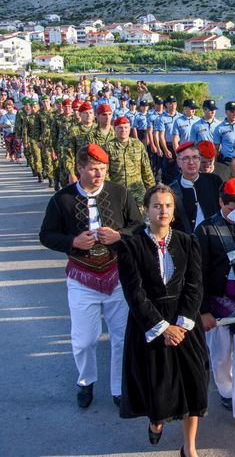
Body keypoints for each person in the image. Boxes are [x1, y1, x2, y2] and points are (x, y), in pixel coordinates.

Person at [39, 144, 143, 408]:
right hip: (82, 277)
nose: (99, 174)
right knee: (84, 339)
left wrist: (120, 235)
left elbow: (138, 225)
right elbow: (46, 235)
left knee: (121, 336)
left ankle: (119, 389)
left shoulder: (119, 192)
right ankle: (86, 381)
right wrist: (73, 241)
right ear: (80, 169)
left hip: (117, 273)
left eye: (103, 169)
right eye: (94, 169)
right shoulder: (61, 199)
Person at [117, 184, 209, 457]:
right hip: (151, 324)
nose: (163, 211)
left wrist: (181, 324)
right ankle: (156, 421)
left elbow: (194, 285)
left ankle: (189, 447)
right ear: (147, 210)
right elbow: (134, 292)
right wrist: (162, 328)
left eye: (168, 205)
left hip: (184, 324)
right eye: (157, 206)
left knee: (193, 387)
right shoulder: (131, 246)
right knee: (158, 386)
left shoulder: (187, 241)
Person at [194, 178, 235, 432]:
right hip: (218, 301)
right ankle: (225, 389)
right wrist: (203, 310)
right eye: (231, 208)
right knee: (222, 354)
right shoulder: (206, 230)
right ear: (221, 202)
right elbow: (197, 273)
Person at [169, 141, 223, 234]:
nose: (191, 162)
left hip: (215, 238)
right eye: (186, 158)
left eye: (195, 157)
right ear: (178, 161)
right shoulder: (171, 190)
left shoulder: (214, 181)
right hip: (187, 243)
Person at [105, 116, 156, 211]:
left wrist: (152, 190)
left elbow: (146, 169)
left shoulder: (138, 145)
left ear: (130, 129)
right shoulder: (108, 147)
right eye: (120, 127)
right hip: (117, 191)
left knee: (140, 221)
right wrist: (109, 190)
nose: (123, 130)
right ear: (114, 129)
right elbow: (105, 172)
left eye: (126, 127)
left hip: (138, 193)